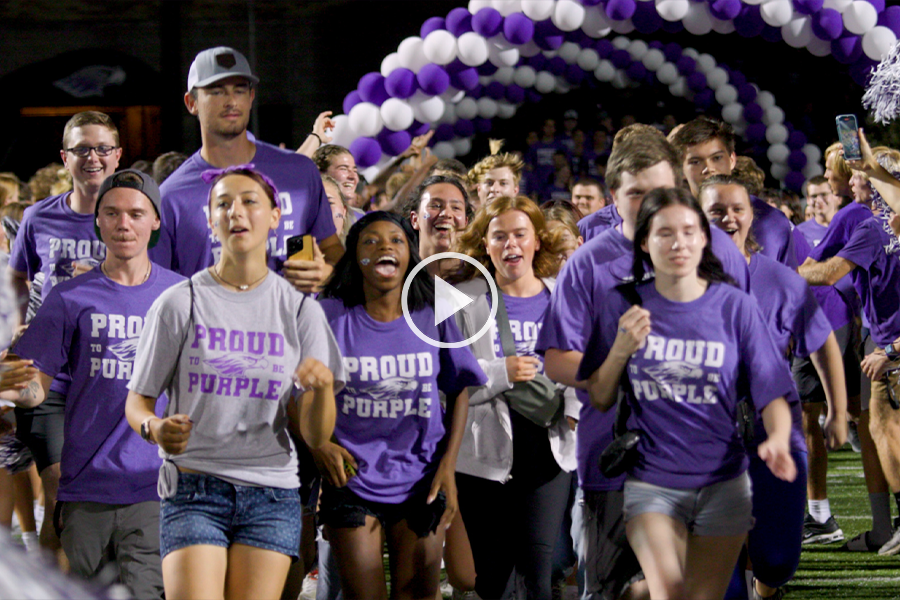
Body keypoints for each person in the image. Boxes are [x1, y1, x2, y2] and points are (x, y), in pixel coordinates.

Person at [539, 133, 749, 600]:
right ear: (614, 196)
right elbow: (555, 357)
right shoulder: (588, 263)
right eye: (635, 193)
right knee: (612, 590)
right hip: (614, 459)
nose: (649, 203)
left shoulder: (719, 253)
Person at [125, 167, 344, 600]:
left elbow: (318, 435)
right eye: (223, 204)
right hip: (193, 487)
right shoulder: (179, 301)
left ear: (275, 216)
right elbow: (137, 402)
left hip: (271, 491)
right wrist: (155, 428)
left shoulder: (302, 311)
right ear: (210, 220)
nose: (235, 212)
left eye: (249, 201)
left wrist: (319, 389)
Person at [578, 187, 797, 600]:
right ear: (645, 241)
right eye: (665, 233)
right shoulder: (621, 302)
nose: (678, 243)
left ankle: (632, 595)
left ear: (703, 238)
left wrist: (780, 439)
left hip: (722, 479)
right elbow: (601, 395)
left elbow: (772, 387)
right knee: (674, 590)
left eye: (689, 231)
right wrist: (622, 348)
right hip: (651, 478)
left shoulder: (735, 306)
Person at [1, 170, 182, 597]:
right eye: (112, 213)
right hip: (85, 489)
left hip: (155, 488)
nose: (124, 223)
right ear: (97, 220)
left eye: (136, 213)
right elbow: (36, 390)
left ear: (155, 221)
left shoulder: (181, 295)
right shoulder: (70, 297)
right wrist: (9, 386)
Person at [315, 211, 484, 600]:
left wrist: (448, 467)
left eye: (395, 239)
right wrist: (319, 447)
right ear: (354, 256)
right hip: (352, 476)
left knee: (419, 593)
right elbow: (296, 393)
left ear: (409, 253)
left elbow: (460, 387)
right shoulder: (328, 312)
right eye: (370, 240)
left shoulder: (432, 311)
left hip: (422, 474)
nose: (384, 247)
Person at [699, 175, 848, 599]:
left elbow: (821, 344)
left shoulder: (782, 280)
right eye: (716, 211)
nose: (728, 218)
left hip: (775, 431)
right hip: (706, 438)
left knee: (778, 559)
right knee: (719, 572)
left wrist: (837, 409)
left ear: (751, 215)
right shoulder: (673, 281)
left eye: (737, 209)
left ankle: (767, 589)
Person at [450, 195, 576, 600]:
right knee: (494, 577)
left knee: (542, 571)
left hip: (548, 448)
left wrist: (573, 412)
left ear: (537, 241)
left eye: (520, 234)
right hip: (482, 455)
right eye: (499, 236)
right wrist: (501, 373)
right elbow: (448, 379)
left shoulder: (565, 295)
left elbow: (587, 361)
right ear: (484, 244)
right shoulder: (464, 299)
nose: (511, 245)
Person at [8, 110, 120, 559]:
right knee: (57, 494)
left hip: (113, 369)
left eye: (101, 148)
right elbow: (17, 279)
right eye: (81, 149)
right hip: (49, 373)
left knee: (107, 496)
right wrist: (17, 323)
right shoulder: (38, 217)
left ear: (117, 155)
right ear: (64, 157)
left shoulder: (137, 215)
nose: (92, 157)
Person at [152, 46, 342, 294]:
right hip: (211, 329)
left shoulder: (298, 172)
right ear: (191, 103)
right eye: (216, 91)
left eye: (240, 90)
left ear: (251, 97)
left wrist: (326, 274)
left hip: (289, 327)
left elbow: (332, 250)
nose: (231, 101)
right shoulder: (171, 196)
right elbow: (155, 286)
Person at [802, 137, 900, 557]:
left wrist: (775, 274)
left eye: (862, 172)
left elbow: (826, 273)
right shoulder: (885, 222)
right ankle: (883, 528)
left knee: (881, 428)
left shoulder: (870, 223)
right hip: (887, 339)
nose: (851, 177)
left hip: (887, 343)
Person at [670, 116, 796, 268]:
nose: (708, 168)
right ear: (681, 169)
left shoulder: (773, 221)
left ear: (732, 160)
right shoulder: (669, 222)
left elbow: (790, 285)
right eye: (695, 162)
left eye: (716, 158)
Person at [400, 175, 471, 278]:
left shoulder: (482, 283)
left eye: (455, 207)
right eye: (435, 205)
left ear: (465, 222)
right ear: (415, 219)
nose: (446, 213)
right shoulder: (397, 279)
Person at [468, 140, 523, 211]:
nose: (495, 189)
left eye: (503, 183)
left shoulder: (525, 221)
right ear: (479, 189)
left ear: (515, 190)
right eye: (489, 183)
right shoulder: (466, 221)